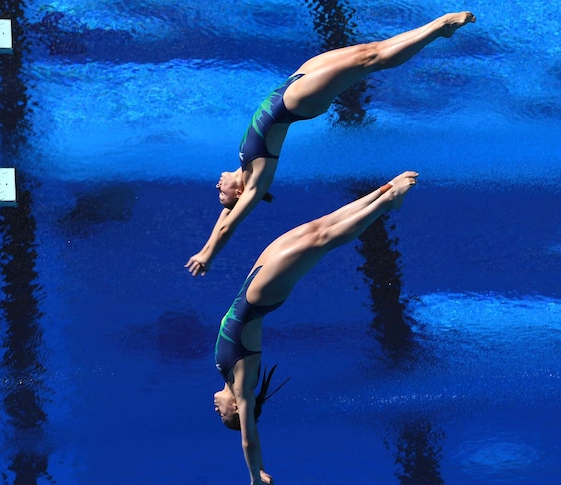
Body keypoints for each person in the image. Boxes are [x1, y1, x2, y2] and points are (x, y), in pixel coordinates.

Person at [185, 12, 474, 277]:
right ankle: (438, 28)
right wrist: (207, 254)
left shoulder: (243, 168)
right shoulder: (255, 181)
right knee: (370, 61)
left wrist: (215, 229)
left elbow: (224, 216)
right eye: (222, 195)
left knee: (368, 51)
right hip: (297, 101)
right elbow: (227, 224)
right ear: (238, 193)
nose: (216, 188)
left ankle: (437, 29)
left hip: (293, 83)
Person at [213, 170, 419, 484]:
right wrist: (255, 476)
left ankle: (387, 189)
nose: (218, 412)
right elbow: (248, 440)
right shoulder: (242, 387)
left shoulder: (225, 373)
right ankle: (388, 202)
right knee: (322, 241)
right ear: (238, 413)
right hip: (260, 297)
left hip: (252, 285)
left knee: (320, 226)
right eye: (226, 418)